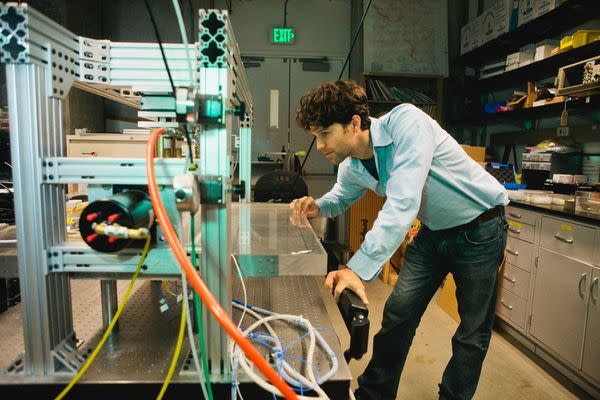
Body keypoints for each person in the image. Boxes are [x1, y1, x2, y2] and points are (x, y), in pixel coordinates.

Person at [290, 80, 508, 400]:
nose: (320, 145)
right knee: (398, 314)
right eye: (315, 136)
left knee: (471, 332)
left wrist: (357, 268)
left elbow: (403, 203)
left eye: (324, 134)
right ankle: (374, 394)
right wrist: (318, 205)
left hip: (481, 229)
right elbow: (340, 197)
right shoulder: (352, 166)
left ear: (353, 124)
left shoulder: (408, 123)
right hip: (434, 233)